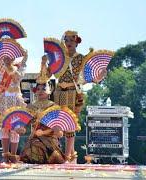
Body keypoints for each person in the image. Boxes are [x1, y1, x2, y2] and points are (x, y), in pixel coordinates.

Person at [41, 30, 106, 163]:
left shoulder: (80, 58)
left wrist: (99, 77)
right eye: (66, 40)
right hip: (58, 92)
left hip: (73, 92)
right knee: (56, 124)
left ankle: (67, 157)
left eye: (71, 40)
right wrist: (43, 63)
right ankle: (60, 155)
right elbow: (45, 76)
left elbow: (89, 77)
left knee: (70, 124)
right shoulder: (58, 58)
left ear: (76, 43)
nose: (68, 43)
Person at [20, 65, 66, 164]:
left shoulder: (53, 107)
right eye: (38, 89)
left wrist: (49, 132)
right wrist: (20, 128)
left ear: (49, 91)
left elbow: (60, 132)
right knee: (34, 145)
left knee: (48, 152)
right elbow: (24, 124)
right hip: (35, 138)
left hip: (50, 139)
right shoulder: (31, 106)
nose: (40, 91)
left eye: (43, 89)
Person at [0, 51, 28, 163]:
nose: (7, 58)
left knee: (15, 128)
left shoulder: (17, 68)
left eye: (10, 56)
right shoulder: (2, 69)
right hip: (4, 100)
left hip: (16, 100)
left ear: (14, 58)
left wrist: (25, 57)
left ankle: (13, 155)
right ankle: (6, 155)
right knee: (4, 127)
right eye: (5, 56)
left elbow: (18, 76)